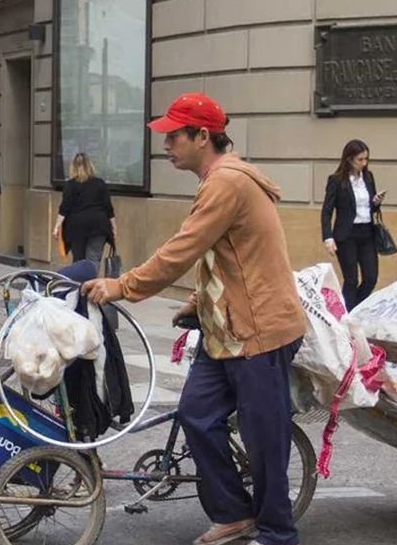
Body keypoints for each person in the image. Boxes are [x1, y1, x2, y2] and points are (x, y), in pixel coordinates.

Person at [84, 93, 307, 545]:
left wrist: (121, 285)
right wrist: (199, 302)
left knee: (264, 438)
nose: (165, 144)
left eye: (173, 135)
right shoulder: (217, 180)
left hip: (260, 332)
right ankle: (234, 513)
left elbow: (183, 248)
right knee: (196, 414)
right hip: (227, 330)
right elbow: (221, 254)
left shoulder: (227, 182)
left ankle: (278, 533)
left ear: (203, 136)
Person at [319, 140, 386, 310]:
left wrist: (376, 202)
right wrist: (328, 238)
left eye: (366, 159)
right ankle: (347, 318)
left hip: (367, 233)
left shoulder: (368, 178)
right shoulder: (336, 180)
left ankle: (350, 311)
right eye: (360, 160)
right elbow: (327, 211)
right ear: (349, 159)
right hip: (346, 235)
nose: (364, 163)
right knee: (351, 280)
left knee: (371, 278)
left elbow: (371, 207)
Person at [53, 153, 117, 268]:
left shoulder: (70, 185)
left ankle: (81, 285)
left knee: (79, 260)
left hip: (77, 227)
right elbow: (108, 207)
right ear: (90, 166)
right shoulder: (100, 184)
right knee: (94, 258)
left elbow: (64, 208)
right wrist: (114, 226)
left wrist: (57, 226)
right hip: (99, 225)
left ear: (73, 167)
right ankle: (91, 285)